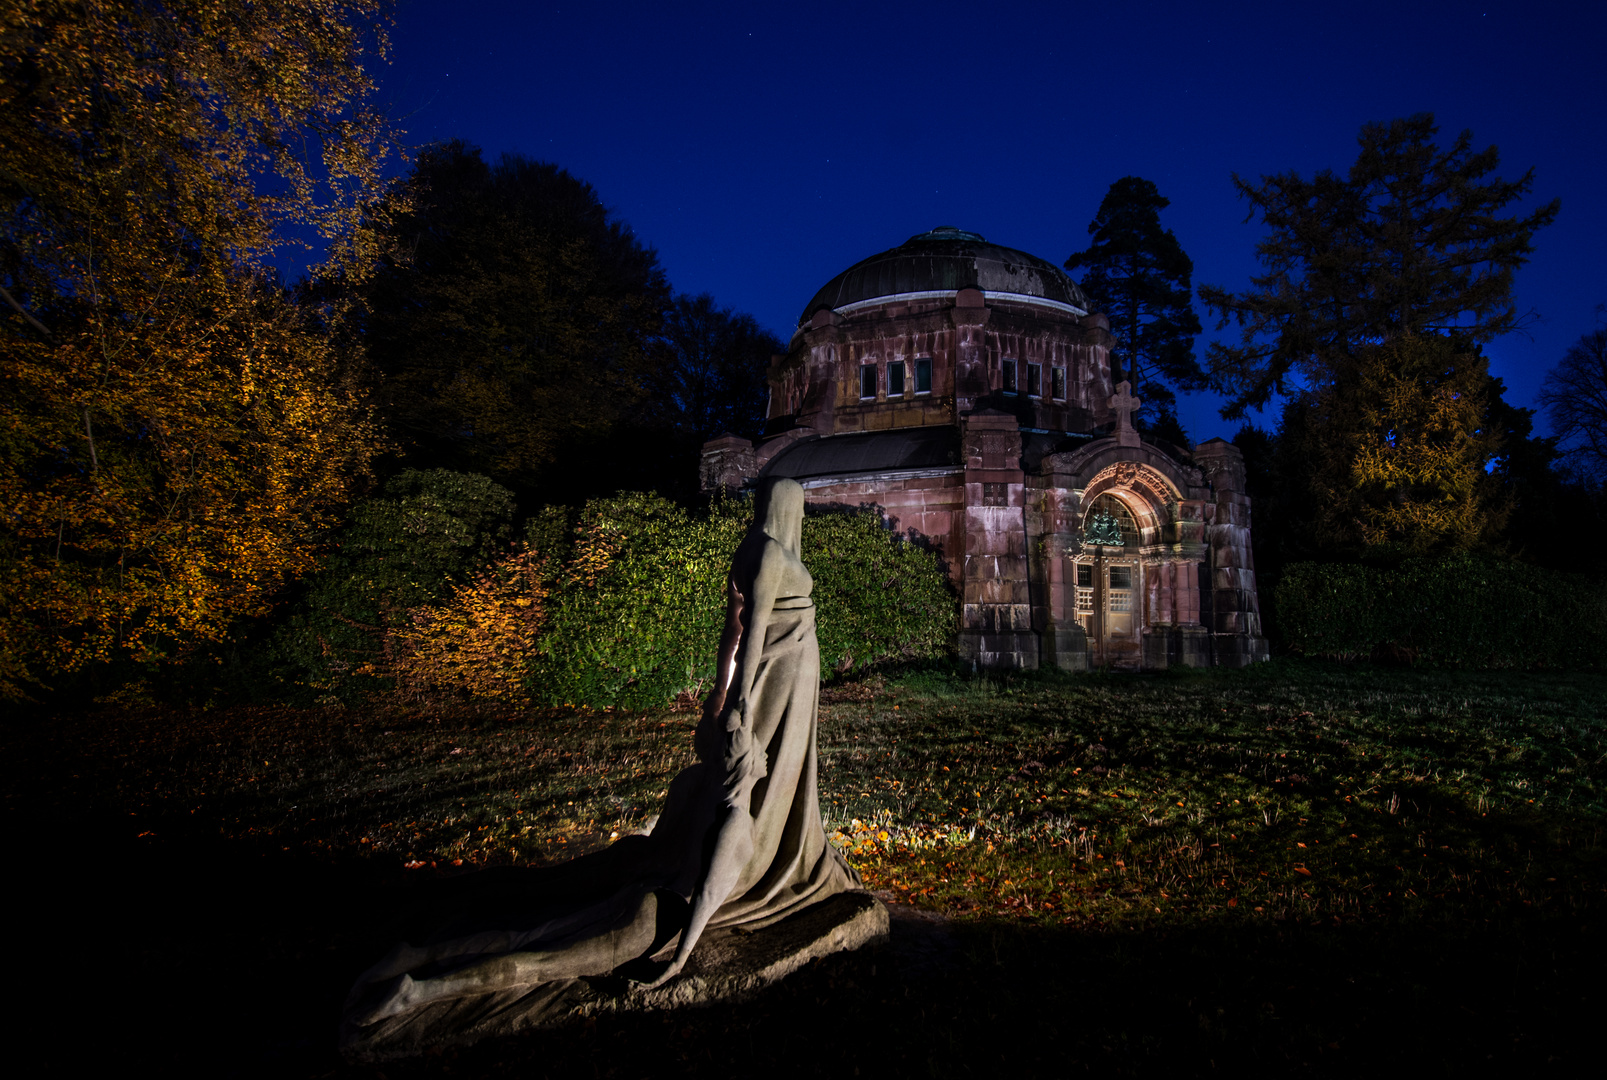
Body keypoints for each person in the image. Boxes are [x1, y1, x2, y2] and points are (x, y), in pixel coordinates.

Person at [344, 478, 860, 1034]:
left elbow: (732, 635)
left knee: (537, 933)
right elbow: (750, 629)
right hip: (765, 702)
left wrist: (722, 698)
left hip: (765, 712)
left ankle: (418, 966)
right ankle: (419, 980)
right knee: (542, 947)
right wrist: (735, 705)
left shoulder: (694, 791)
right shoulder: (734, 822)